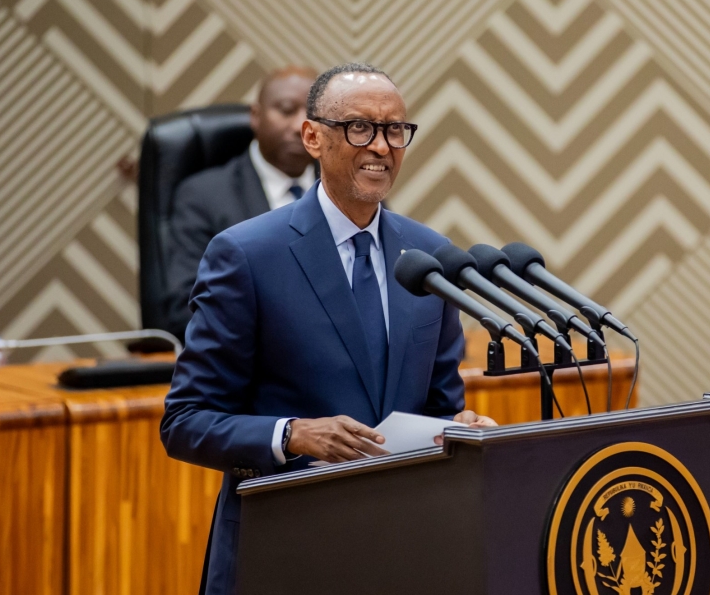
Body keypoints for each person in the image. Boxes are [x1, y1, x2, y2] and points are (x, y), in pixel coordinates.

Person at [160, 63, 497, 595]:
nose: (382, 146)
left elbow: (436, 408)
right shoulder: (247, 254)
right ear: (313, 137)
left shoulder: (428, 256)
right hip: (285, 547)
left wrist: (460, 431)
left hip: (403, 549)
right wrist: (293, 434)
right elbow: (185, 422)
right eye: (360, 127)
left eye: (394, 130)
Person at [164, 66, 318, 340]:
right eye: (286, 110)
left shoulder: (348, 189)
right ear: (256, 116)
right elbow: (187, 307)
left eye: (313, 115)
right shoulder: (204, 196)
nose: (300, 126)